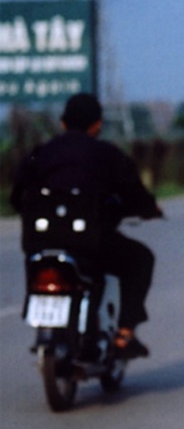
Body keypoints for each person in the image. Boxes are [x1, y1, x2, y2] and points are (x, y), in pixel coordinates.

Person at [11, 92, 163, 358]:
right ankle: (125, 334)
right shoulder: (106, 155)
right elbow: (134, 194)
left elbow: (16, 196)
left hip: (40, 242)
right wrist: (150, 210)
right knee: (141, 259)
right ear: (97, 125)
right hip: (89, 244)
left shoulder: (41, 153)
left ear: (63, 123)